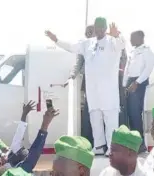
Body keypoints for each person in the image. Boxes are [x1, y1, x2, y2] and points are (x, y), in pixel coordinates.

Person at [46, 17, 126, 156]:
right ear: (94, 28)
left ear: (106, 29)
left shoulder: (112, 42)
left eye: (102, 28)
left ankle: (112, 148)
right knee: (95, 117)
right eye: (97, 27)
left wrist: (117, 35)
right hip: (93, 90)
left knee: (110, 119)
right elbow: (71, 46)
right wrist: (56, 40)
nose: (100, 30)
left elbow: (122, 45)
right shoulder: (87, 43)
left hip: (108, 90)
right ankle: (99, 146)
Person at [123, 30, 154, 153]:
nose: (130, 41)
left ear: (141, 38)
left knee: (136, 113)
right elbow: (127, 68)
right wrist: (124, 84)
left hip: (139, 83)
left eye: (133, 38)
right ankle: (132, 141)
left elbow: (147, 69)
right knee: (129, 113)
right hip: (130, 82)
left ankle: (140, 144)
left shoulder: (147, 52)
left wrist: (137, 83)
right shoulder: (133, 51)